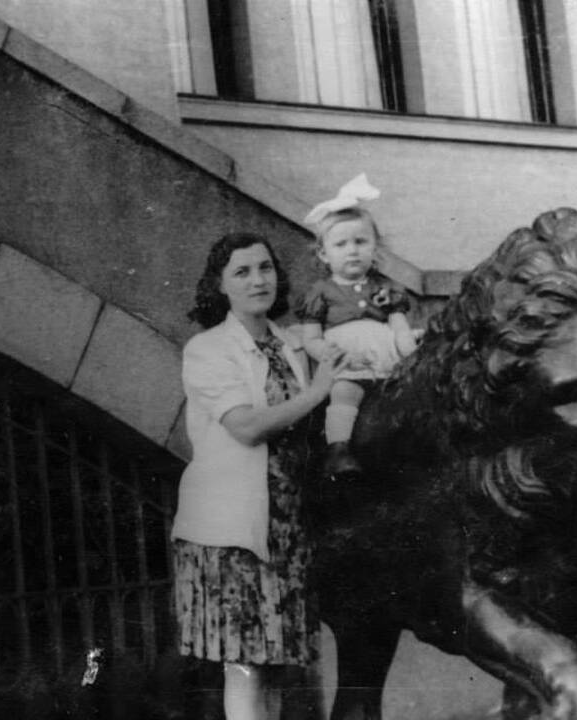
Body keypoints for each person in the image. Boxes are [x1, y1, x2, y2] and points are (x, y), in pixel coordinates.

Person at [171, 232, 347, 720]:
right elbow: (246, 426)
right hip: (232, 531)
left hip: (286, 528)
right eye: (242, 272)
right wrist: (318, 392)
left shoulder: (292, 345)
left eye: (265, 268)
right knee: (245, 665)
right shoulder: (207, 350)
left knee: (270, 666)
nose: (258, 280)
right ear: (220, 286)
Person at [295, 174, 417, 478]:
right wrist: (335, 355)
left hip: (386, 360)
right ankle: (338, 449)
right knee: (345, 392)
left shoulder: (385, 288)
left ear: (375, 248)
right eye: (341, 244)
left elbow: (399, 326)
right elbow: (311, 338)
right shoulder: (321, 292)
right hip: (346, 361)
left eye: (361, 242)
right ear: (324, 253)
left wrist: (408, 349)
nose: (352, 250)